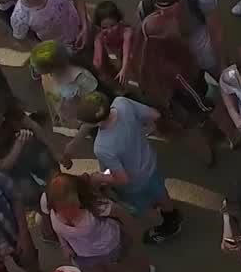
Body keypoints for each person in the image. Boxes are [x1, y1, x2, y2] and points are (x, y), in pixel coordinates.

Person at [71, 92, 182, 243]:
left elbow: (122, 178)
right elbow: (155, 115)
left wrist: (99, 177)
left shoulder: (102, 146)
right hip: (150, 163)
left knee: (143, 208)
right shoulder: (122, 103)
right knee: (160, 192)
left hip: (134, 185)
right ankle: (172, 214)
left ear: (93, 123)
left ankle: (164, 225)